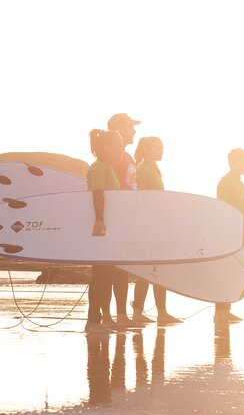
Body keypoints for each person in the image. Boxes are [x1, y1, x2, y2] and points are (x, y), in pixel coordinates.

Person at [131, 136, 182, 325]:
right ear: (145, 150)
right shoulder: (143, 169)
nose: (162, 151)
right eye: (157, 148)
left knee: (159, 269)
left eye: (162, 147)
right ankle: (138, 312)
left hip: (158, 225)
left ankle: (161, 312)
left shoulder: (154, 169)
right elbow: (142, 199)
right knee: (148, 269)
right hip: (149, 226)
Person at [106, 113, 144, 329]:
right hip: (115, 221)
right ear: (119, 128)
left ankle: (120, 314)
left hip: (126, 220)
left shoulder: (126, 157)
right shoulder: (115, 158)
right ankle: (112, 316)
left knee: (121, 270)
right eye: (131, 127)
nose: (134, 131)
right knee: (112, 270)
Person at [86, 129, 123, 334]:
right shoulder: (98, 167)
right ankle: (93, 321)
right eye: (117, 145)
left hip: (109, 231)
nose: (121, 149)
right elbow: (97, 193)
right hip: (100, 229)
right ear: (106, 148)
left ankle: (103, 320)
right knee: (99, 274)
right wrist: (99, 219)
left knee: (107, 274)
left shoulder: (109, 168)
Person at [215, 148, 244, 323]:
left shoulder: (241, 184)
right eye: (242, 162)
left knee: (230, 271)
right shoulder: (226, 182)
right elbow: (222, 208)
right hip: (224, 231)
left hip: (237, 232)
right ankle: (220, 312)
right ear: (232, 163)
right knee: (224, 271)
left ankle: (225, 309)